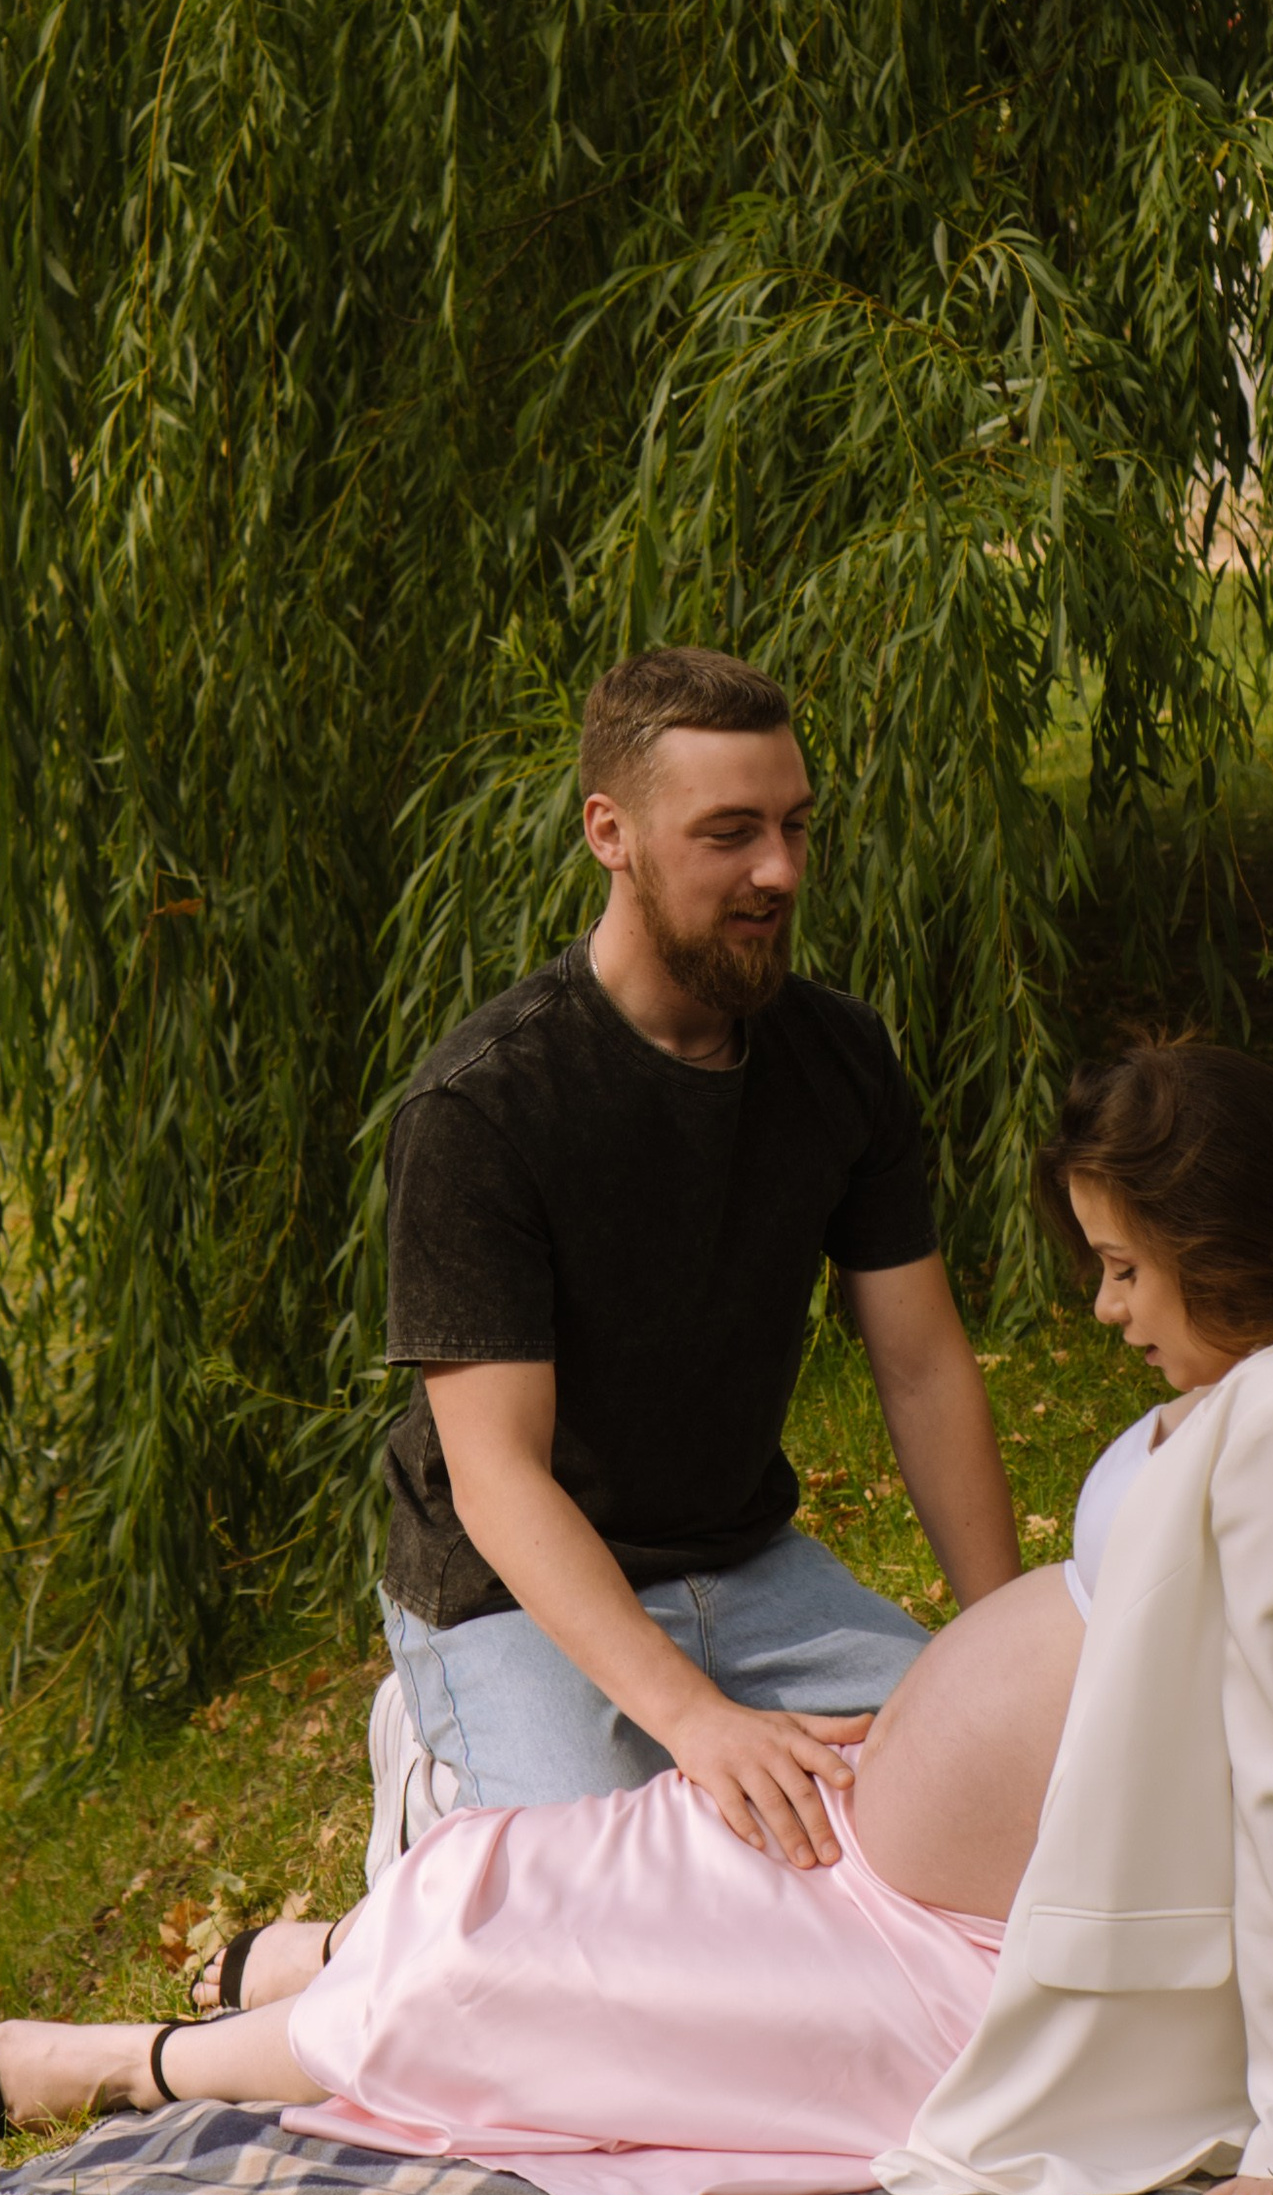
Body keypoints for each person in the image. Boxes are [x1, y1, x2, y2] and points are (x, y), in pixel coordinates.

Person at [0, 1039, 1273, 2195]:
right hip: (912, 1880)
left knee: (520, 1987)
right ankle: (333, 1961)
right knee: (563, 1871)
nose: (1111, 1311)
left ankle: (141, 2066)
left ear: (1241, 1243)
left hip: (981, 1981)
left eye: (1129, 1267)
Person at [367, 642, 1021, 1885]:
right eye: (728, 834)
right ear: (609, 831)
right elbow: (496, 1478)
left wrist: (1006, 1651)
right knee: (631, 1901)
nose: (778, 870)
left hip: (745, 1563)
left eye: (793, 826)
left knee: (1003, 1788)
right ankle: (434, 1781)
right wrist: (695, 1721)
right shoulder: (482, 1107)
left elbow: (924, 1368)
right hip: (513, 1592)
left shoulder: (840, 1059)